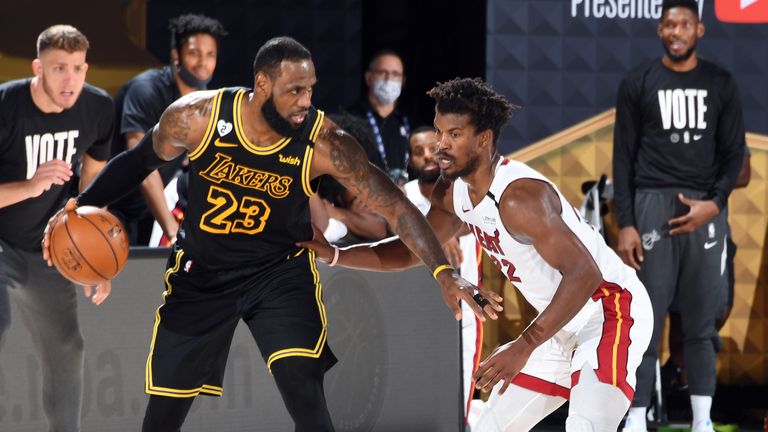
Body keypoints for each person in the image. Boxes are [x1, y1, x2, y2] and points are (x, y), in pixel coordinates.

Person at [42, 37, 501, 432]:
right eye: (294, 90)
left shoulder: (324, 143)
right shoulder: (198, 117)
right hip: (203, 272)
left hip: (277, 272)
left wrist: (442, 271)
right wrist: (83, 206)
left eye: (310, 89)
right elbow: (138, 162)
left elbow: (396, 207)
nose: (306, 100)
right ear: (262, 84)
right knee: (165, 410)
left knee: (306, 393)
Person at [299, 77, 654, 432]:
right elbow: (413, 251)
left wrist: (524, 344)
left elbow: (585, 274)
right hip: (558, 326)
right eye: (439, 132)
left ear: (483, 139)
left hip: (610, 310)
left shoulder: (518, 197)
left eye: (454, 134)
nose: (441, 145)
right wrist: (334, 255)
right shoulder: (452, 191)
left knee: (585, 427)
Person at [612, 1, 747, 430]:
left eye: (684, 24)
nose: (676, 31)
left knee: (702, 321)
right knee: (645, 321)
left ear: (699, 30)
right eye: (669, 24)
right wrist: (627, 222)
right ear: (660, 30)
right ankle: (636, 417)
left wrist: (716, 203)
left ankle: (702, 421)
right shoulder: (638, 82)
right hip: (652, 205)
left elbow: (733, 157)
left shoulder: (721, 83)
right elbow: (623, 159)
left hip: (705, 208)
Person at [0, 25, 113, 432]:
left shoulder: (98, 108)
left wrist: (92, 254)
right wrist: (29, 187)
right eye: (59, 68)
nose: (70, 80)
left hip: (45, 247)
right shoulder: (6, 105)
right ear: (38, 68)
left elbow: (94, 177)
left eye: (79, 68)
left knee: (68, 347)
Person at [110, 13, 227, 245]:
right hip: (109, 204)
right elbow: (141, 163)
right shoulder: (146, 90)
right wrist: (172, 230)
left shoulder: (207, 102)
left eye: (210, 54)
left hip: (147, 211)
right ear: (176, 55)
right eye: (194, 53)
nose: (203, 62)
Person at [402, 125, 482, 421]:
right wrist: (436, 234)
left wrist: (443, 229)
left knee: (461, 385)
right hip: (417, 311)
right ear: (409, 160)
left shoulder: (464, 191)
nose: (427, 156)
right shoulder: (403, 195)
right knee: (419, 387)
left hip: (464, 308)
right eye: (418, 152)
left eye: (432, 149)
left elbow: (471, 222)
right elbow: (395, 229)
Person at [348, 50, 410, 186]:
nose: (389, 79)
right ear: (368, 78)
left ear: (403, 81)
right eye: (382, 73)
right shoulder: (349, 120)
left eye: (395, 74)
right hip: (365, 199)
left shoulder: (410, 121)